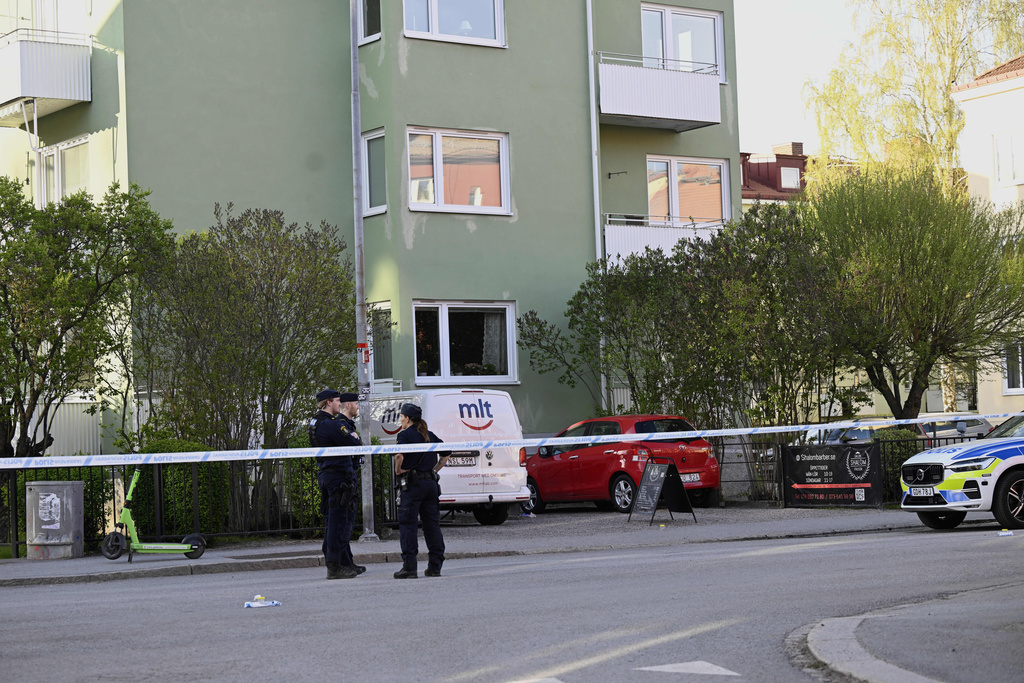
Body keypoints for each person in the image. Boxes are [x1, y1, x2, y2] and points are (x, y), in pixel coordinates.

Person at [310, 389, 364, 580]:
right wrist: (354, 438)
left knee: (335, 521)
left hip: (328, 474)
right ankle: (334, 566)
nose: (339, 405)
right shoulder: (330, 424)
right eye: (337, 401)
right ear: (328, 402)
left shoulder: (316, 422)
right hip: (338, 477)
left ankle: (343, 562)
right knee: (338, 523)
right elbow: (353, 443)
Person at [393, 403, 450, 579]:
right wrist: (434, 470)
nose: (400, 419)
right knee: (432, 526)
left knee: (408, 526)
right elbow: (446, 454)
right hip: (430, 485)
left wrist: (398, 470)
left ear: (407, 418)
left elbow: (399, 455)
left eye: (402, 416)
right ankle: (435, 566)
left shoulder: (404, 436)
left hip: (413, 486)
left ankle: (409, 568)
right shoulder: (429, 435)